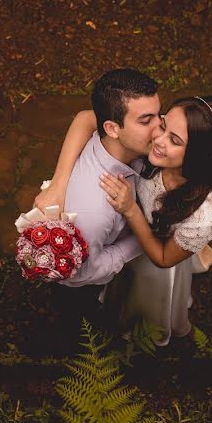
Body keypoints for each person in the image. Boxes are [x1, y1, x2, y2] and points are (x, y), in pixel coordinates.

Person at [36, 95, 212, 345]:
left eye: (174, 140)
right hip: (125, 240)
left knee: (140, 301)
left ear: (199, 156)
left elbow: (164, 258)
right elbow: (87, 118)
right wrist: (58, 184)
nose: (158, 140)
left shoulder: (205, 213)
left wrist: (131, 210)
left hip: (154, 257)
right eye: (163, 125)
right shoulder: (153, 151)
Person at [47, 69, 161, 300]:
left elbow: (85, 117)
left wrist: (57, 184)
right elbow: (79, 274)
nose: (160, 128)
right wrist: (146, 239)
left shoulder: (118, 139)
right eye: (146, 121)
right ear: (111, 128)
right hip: (86, 288)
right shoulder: (93, 213)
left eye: (159, 115)